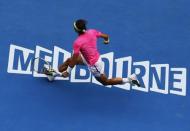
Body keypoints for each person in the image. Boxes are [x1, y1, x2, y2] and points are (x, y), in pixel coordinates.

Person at [47, 19, 140, 86]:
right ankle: (54, 73)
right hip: (86, 57)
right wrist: (107, 40)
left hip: (94, 64)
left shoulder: (77, 42)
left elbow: (75, 59)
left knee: (105, 82)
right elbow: (106, 36)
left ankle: (129, 80)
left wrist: (68, 72)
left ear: (76, 30)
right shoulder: (92, 31)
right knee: (69, 60)